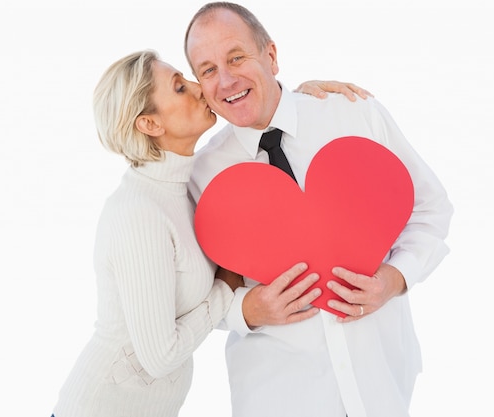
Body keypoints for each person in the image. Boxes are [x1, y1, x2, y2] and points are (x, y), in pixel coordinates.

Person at [50, 49, 371, 417]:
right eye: (179, 87)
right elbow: (160, 356)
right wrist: (228, 289)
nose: (198, 87)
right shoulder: (138, 213)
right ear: (150, 124)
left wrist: (296, 101)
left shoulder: (184, 189)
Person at [184, 3, 454, 417]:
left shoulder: (352, 114)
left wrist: (395, 278)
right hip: (275, 394)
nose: (225, 79)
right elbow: (195, 298)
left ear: (270, 56)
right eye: (207, 69)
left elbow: (430, 208)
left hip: (380, 381)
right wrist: (246, 310)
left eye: (236, 57)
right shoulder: (203, 175)